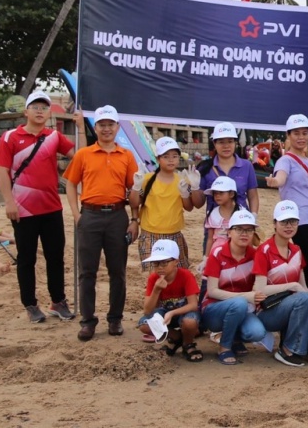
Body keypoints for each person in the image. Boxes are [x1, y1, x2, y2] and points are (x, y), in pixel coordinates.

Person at [0, 90, 78, 323]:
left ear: (49, 112)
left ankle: (58, 301)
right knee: (27, 258)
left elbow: (79, 158)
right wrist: (9, 201)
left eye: (44, 107)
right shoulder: (10, 137)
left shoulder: (54, 137)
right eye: (35, 107)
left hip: (52, 208)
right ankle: (30, 304)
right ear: (26, 111)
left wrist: (80, 129)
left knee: (55, 256)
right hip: (22, 209)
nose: (40, 111)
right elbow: (1, 170)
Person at [63, 105, 138, 341]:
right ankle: (88, 321)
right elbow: (70, 184)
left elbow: (134, 189)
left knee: (118, 271)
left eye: (110, 124)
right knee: (87, 272)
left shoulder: (126, 155)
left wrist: (135, 219)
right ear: (95, 127)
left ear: (117, 127)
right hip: (90, 216)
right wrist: (76, 214)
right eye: (102, 125)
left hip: (117, 216)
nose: (106, 129)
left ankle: (115, 319)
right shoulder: (84, 154)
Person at [266, 114, 308, 320]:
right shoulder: (286, 160)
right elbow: (281, 177)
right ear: (288, 135)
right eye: (297, 133)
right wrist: (274, 182)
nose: (301, 137)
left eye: (304, 133)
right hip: (299, 223)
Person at [252, 200, 308, 366]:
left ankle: (289, 336)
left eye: (293, 221)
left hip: (292, 307)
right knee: (303, 299)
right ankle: (287, 350)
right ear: (275, 224)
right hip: (268, 310)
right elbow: (260, 289)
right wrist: (292, 287)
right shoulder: (264, 251)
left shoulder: (297, 250)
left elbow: (303, 286)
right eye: (284, 221)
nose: (289, 226)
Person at [201, 209, 267, 364]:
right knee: (239, 303)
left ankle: (235, 338)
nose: (244, 234)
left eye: (249, 230)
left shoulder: (256, 255)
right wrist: (245, 297)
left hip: (242, 308)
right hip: (214, 309)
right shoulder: (217, 253)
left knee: (257, 333)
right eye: (239, 229)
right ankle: (225, 347)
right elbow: (212, 291)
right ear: (229, 232)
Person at [129, 137, 196, 272]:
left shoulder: (182, 180)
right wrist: (136, 186)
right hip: (150, 234)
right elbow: (134, 203)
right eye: (166, 156)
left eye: (174, 156)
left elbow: (189, 207)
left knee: (177, 274)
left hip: (174, 234)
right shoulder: (147, 179)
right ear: (158, 158)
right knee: (154, 275)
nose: (171, 160)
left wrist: (185, 193)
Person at [138, 239, 202, 362]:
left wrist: (172, 313)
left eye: (164, 263)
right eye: (156, 264)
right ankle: (177, 337)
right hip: (165, 314)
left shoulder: (186, 275)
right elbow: (147, 310)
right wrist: (156, 290)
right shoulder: (153, 278)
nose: (159, 268)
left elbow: (193, 305)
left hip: (182, 312)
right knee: (144, 324)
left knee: (190, 322)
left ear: (176, 262)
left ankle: (188, 344)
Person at [193, 122, 259, 219]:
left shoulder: (246, 166)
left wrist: (253, 216)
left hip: (240, 224)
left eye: (230, 141)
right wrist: (194, 188)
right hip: (215, 226)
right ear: (214, 144)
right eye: (221, 142)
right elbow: (198, 204)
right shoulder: (205, 168)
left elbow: (252, 196)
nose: (226, 146)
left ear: (235, 143)